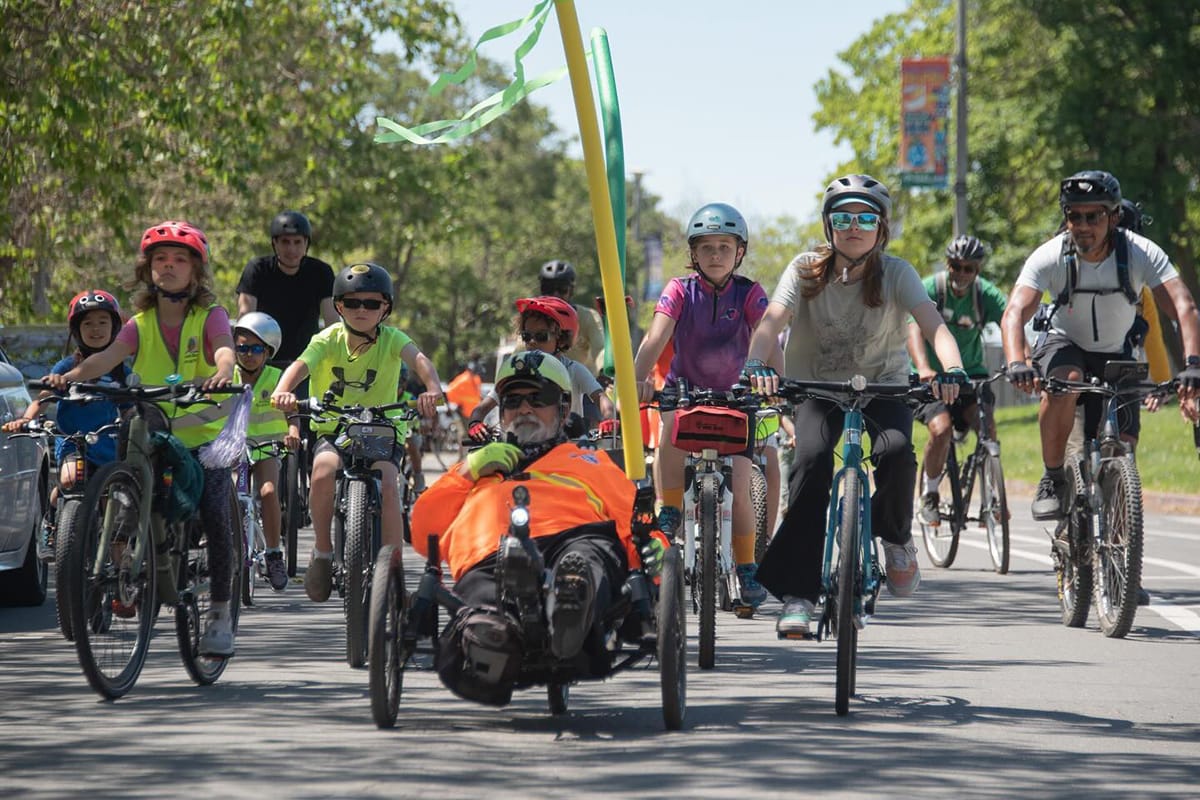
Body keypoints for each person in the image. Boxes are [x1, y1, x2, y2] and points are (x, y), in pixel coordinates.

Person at [744, 174, 966, 637]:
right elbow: (771, 322)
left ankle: (896, 538)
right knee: (810, 463)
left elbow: (934, 325)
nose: (853, 227)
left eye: (866, 219)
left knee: (896, 452)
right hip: (817, 388)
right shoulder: (805, 269)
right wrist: (755, 364)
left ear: (881, 228)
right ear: (828, 225)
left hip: (883, 387)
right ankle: (799, 596)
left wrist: (953, 369)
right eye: (843, 218)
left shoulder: (898, 273)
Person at [44, 221, 241, 656]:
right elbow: (106, 358)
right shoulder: (139, 323)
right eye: (160, 260)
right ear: (147, 269)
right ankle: (128, 563)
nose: (168, 266)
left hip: (203, 437)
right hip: (151, 428)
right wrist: (69, 377)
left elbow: (224, 348)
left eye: (179, 260)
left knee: (214, 510)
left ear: (196, 271)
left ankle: (220, 613)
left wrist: (223, 371)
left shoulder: (210, 315)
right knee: (126, 488)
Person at [410, 350, 650, 705]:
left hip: (576, 538)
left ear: (564, 411)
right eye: (513, 400)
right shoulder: (478, 468)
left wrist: (651, 571)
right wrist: (468, 471)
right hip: (490, 555)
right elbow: (423, 531)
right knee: (483, 607)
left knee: (585, 563)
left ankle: (569, 607)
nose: (524, 408)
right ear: (502, 411)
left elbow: (635, 522)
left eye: (539, 398)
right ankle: (493, 637)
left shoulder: (589, 461)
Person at [1000, 170, 1200, 521]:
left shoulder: (1139, 252)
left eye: (1093, 216)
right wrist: (1018, 362)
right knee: (1067, 379)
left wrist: (1193, 365)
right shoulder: (1051, 255)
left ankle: (1120, 536)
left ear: (1114, 216)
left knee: (1124, 445)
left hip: (1117, 351)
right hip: (1065, 344)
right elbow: (1014, 312)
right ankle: (1052, 479)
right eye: (1074, 216)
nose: (1082, 225)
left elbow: (1183, 306)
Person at [270, 262, 443, 603]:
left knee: (389, 482)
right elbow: (300, 366)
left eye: (371, 303)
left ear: (385, 308)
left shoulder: (393, 339)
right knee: (322, 470)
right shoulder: (327, 339)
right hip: (334, 427)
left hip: (380, 429)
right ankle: (323, 552)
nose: (361, 310)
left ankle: (392, 570)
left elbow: (421, 361)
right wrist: (282, 390)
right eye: (352, 303)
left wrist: (433, 388)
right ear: (338, 306)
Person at [634, 202, 777, 610]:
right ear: (693, 253)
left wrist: (775, 381)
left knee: (742, 486)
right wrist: (637, 380)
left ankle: (746, 567)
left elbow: (767, 336)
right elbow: (656, 338)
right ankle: (670, 510)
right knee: (670, 436)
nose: (716, 255)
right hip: (685, 391)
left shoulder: (750, 292)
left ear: (740, 252)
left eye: (724, 247)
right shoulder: (679, 290)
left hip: (738, 396)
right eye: (707, 247)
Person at [4, 290, 127, 550]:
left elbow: (131, 409)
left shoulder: (122, 372)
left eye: (102, 322)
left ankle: (118, 567)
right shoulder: (66, 368)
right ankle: (52, 522)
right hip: (74, 442)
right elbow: (43, 399)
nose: (95, 329)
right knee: (69, 479)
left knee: (115, 504)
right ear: (76, 330)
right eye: (88, 323)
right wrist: (24, 420)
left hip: (109, 445)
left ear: (115, 327)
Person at [907, 235, 1008, 525]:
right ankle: (929, 494)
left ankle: (992, 495)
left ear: (977, 270)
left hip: (969, 375)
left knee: (987, 426)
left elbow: (1010, 321)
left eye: (969, 268)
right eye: (956, 266)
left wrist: (1022, 360)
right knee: (941, 431)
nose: (961, 273)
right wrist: (923, 367)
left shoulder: (984, 294)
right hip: (932, 377)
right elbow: (913, 329)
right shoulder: (930, 288)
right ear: (947, 264)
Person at [466, 296, 615, 439]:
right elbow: (482, 408)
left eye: (541, 336)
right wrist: (475, 423)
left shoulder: (574, 370)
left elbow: (601, 398)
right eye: (526, 336)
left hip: (569, 448)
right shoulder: (517, 370)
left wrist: (608, 418)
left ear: (561, 338)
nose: (532, 342)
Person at [232, 312, 299, 592]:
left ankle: (273, 554)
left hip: (267, 448)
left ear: (268, 352)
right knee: (229, 494)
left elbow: (292, 414)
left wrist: (292, 431)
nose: (248, 355)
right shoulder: (226, 375)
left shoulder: (277, 379)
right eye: (242, 348)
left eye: (256, 349)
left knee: (269, 492)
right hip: (233, 450)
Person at [236, 210, 338, 368]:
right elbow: (245, 321)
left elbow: (332, 323)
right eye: (285, 242)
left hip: (308, 363)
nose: (291, 249)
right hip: (263, 364)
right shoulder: (257, 270)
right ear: (274, 243)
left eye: (297, 242)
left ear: (306, 243)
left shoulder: (321, 272)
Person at [539, 260, 605, 375]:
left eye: (562, 289)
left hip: (580, 382)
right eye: (548, 289)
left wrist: (604, 371)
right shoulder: (533, 318)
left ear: (571, 291)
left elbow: (600, 349)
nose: (555, 294)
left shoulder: (587, 317)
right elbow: (520, 349)